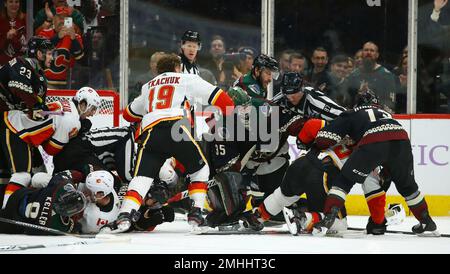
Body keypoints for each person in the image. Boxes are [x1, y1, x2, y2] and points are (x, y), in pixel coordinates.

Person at [100, 53, 234, 234]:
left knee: (142, 178)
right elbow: (221, 98)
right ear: (178, 68)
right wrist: (229, 112)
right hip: (177, 128)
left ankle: (125, 215)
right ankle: (197, 214)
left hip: (150, 133)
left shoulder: (148, 86)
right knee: (200, 170)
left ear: (157, 70)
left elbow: (128, 114)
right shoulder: (186, 78)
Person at [312, 91, 440, 237]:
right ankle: (427, 221)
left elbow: (323, 139)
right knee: (408, 186)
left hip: (373, 140)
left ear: (357, 104)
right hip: (402, 139)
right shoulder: (386, 113)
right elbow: (388, 139)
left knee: (344, 181)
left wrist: (340, 140)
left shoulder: (352, 113)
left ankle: (329, 217)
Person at [0, 36, 54, 208]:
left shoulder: (41, 78)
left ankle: (21, 206)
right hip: (8, 123)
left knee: (35, 170)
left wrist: (44, 110)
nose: (52, 58)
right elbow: (18, 87)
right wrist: (36, 105)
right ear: (39, 53)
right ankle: (8, 212)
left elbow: (36, 106)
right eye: (49, 54)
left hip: (16, 126)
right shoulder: (21, 64)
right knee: (21, 172)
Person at [0, 169, 87, 235]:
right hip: (14, 222)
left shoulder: (59, 188)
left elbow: (66, 174)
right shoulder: (60, 225)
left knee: (29, 177)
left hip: (17, 197)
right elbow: (77, 227)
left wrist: (82, 174)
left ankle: (5, 205)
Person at [342, 41, 397, 111]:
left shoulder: (386, 75)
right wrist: (359, 94)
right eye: (366, 50)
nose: (368, 53)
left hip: (379, 116)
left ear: (377, 55)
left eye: (372, 50)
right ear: (362, 54)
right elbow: (348, 102)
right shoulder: (353, 75)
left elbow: (390, 103)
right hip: (357, 116)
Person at [38, 7, 84, 88]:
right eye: (60, 18)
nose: (62, 21)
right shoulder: (44, 33)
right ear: (54, 20)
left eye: (65, 18)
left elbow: (80, 58)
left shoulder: (76, 37)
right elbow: (40, 52)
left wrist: (73, 39)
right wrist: (57, 37)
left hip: (67, 84)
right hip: (45, 81)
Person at [0, 0, 27, 65]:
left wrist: (17, 36)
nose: (14, 4)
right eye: (11, 1)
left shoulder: (26, 18)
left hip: (22, 61)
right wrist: (6, 37)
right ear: (5, 4)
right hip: (3, 63)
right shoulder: (1, 20)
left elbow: (30, 41)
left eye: (17, 2)